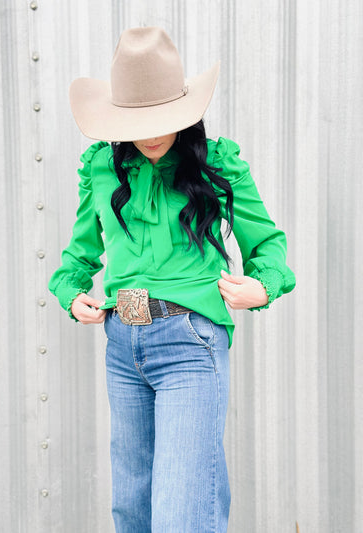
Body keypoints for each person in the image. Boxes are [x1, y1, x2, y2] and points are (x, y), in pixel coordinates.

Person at [49, 26, 295, 533]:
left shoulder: (216, 164)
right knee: (133, 511)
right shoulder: (101, 168)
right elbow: (78, 256)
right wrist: (72, 294)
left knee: (182, 511)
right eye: (138, 121)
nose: (153, 132)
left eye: (163, 117)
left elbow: (266, 244)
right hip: (122, 343)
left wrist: (264, 286)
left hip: (189, 342)